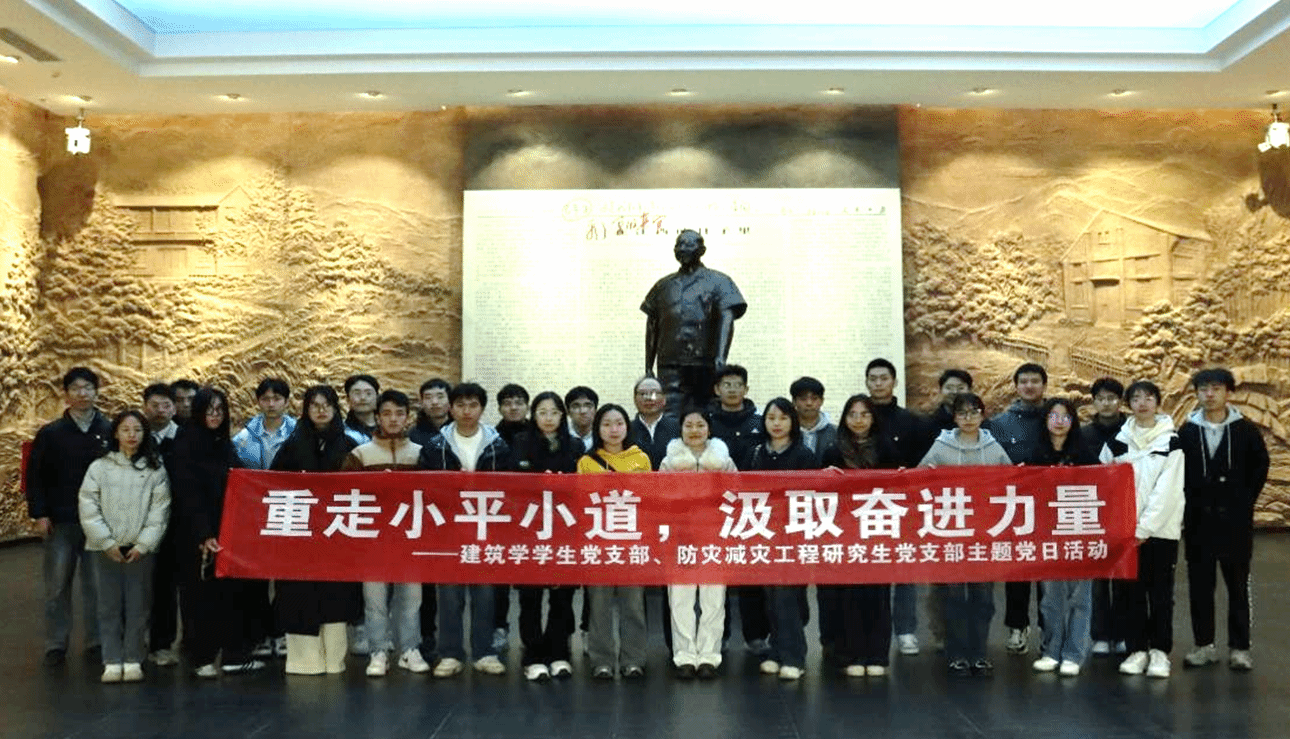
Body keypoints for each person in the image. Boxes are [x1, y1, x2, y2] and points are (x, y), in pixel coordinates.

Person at [418, 382, 511, 677]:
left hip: (486, 528)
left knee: (485, 594)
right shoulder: (435, 446)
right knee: (449, 594)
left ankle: (484, 652)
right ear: (451, 408)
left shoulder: (498, 445)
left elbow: (512, 488)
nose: (466, 411)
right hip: (448, 530)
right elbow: (424, 487)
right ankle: (450, 653)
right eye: (460, 405)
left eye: (473, 405)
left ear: (482, 408)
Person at [1179, 368, 1269, 672]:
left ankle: (1240, 648)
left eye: (1216, 388)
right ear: (1196, 393)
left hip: (1235, 524)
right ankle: (1204, 646)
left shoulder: (1245, 430)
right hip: (1198, 523)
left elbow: (1260, 466)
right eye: (1203, 389)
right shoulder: (1187, 431)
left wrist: (1243, 502)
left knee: (1238, 587)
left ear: (1229, 392)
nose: (1210, 394)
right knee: (1200, 587)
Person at [270, 385, 364, 676]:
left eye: (327, 405)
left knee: (335, 596)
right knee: (299, 595)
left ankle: (334, 659)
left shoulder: (349, 445)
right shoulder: (292, 444)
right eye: (315, 405)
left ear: (336, 408)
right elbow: (273, 484)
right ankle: (304, 661)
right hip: (300, 536)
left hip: (337, 534)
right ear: (306, 410)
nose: (321, 411)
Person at [170, 387, 263, 677]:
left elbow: (240, 480)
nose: (214, 415)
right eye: (209, 410)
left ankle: (233, 655)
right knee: (200, 598)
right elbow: (187, 493)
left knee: (229, 597)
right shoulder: (186, 443)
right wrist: (203, 533)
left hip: (227, 532)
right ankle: (202, 658)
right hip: (197, 536)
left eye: (220, 410)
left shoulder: (224, 444)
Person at [919, 392, 1012, 677]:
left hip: (985, 536)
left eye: (974, 412)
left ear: (983, 415)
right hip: (952, 535)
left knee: (984, 598)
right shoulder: (941, 446)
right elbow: (918, 479)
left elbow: (1013, 483)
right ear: (954, 417)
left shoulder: (994, 448)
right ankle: (957, 654)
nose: (968, 418)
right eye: (962, 413)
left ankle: (980, 653)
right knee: (955, 598)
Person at [1100, 380, 1185, 679]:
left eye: (1149, 398)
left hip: (1160, 532)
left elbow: (1168, 492)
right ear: (1129, 404)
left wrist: (1143, 528)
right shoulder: (1116, 443)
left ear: (1158, 403)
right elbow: (1103, 485)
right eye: (1136, 398)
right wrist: (1122, 527)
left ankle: (1160, 651)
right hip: (1125, 533)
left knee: (1160, 593)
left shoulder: (1171, 443)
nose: (1143, 403)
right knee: (1130, 593)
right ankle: (1136, 649)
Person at [78, 410, 171, 683]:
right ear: (116, 433)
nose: (132, 435)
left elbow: (160, 511)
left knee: (138, 605)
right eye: (126, 430)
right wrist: (106, 541)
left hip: (140, 550)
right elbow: (88, 506)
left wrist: (144, 544)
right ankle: (111, 659)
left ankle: (133, 658)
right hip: (104, 549)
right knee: (107, 606)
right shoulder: (99, 467)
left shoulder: (155, 469)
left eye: (138, 430)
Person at [26, 367, 110, 667]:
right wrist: (39, 514)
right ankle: (56, 643)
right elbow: (35, 477)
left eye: (88, 388)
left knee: (97, 586)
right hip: (61, 520)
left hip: (99, 521)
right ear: (66, 394)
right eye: (76, 388)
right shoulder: (51, 433)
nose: (82, 393)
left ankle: (96, 641)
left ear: (96, 392)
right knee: (58, 585)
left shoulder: (109, 429)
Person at [343, 390, 430, 677]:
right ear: (378, 417)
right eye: (387, 413)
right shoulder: (360, 454)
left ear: (408, 417)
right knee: (375, 600)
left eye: (399, 413)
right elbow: (344, 495)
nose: (393, 419)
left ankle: (409, 649)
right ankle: (378, 650)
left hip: (410, 538)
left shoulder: (421, 453)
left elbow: (434, 496)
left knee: (411, 598)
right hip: (373, 539)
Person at [821, 394, 899, 677]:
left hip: (878, 529)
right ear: (844, 418)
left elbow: (900, 487)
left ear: (873, 418)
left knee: (878, 594)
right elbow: (819, 491)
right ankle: (852, 653)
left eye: (864, 414)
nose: (858, 420)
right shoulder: (833, 450)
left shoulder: (887, 448)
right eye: (852, 414)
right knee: (849, 596)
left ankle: (877, 655)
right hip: (844, 531)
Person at [509, 391, 584, 681]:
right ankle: (533, 655)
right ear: (534, 415)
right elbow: (512, 485)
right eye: (542, 412)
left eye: (554, 412)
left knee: (562, 597)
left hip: (565, 530)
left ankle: (559, 653)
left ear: (562, 416)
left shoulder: (575, 445)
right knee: (530, 597)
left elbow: (582, 486)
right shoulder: (520, 442)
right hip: (530, 529)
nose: (548, 418)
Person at [743, 397, 819, 681]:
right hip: (763, 535)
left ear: (793, 422)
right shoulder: (754, 454)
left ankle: (794, 657)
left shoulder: (804, 455)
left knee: (789, 596)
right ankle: (776, 650)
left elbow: (812, 497)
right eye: (771, 418)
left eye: (783, 418)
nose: (776, 424)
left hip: (794, 536)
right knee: (770, 598)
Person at [660, 407, 736, 680]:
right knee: (680, 600)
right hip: (680, 539)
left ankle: (709, 656)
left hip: (715, 537)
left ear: (709, 429)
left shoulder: (724, 460)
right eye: (689, 425)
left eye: (700, 425)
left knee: (713, 600)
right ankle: (684, 656)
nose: (694, 430)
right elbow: (660, 499)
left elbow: (736, 494)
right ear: (680, 429)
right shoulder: (669, 462)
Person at [577, 404, 652, 679]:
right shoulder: (587, 462)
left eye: (619, 423)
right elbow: (582, 503)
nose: (613, 429)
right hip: (599, 543)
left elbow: (649, 500)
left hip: (632, 542)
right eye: (607, 424)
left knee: (633, 605)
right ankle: (602, 660)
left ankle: (634, 659)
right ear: (598, 428)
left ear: (627, 427)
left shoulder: (641, 459)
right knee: (599, 605)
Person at [865, 358, 932, 656]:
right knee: (871, 570)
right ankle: (873, 629)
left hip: (903, 506)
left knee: (905, 570)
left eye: (884, 378)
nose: (878, 383)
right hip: (865, 507)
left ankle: (906, 630)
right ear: (867, 382)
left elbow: (923, 464)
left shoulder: (911, 421)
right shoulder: (859, 417)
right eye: (873, 378)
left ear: (894, 382)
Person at [1029, 398, 1099, 677]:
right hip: (1047, 533)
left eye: (1065, 416)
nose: (1059, 422)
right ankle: (1051, 650)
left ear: (1073, 422)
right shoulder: (1034, 453)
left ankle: (1074, 653)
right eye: (1053, 416)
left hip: (1079, 532)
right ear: (1045, 420)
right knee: (1051, 597)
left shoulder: (1085, 452)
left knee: (1080, 596)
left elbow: (1103, 486)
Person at [643, 228, 748, 411]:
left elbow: (727, 318)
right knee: (669, 413)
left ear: (702, 250)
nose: (683, 248)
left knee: (707, 412)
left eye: (689, 244)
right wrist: (648, 367)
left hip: (704, 364)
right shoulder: (663, 285)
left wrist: (720, 358)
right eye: (679, 245)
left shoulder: (719, 281)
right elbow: (652, 325)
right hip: (670, 364)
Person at [705, 364, 768, 656]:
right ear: (717, 389)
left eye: (737, 384)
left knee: (750, 574)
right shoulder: (706, 422)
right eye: (726, 384)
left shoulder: (760, 422)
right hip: (713, 508)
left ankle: (756, 636)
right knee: (717, 575)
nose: (732, 389)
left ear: (746, 388)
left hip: (752, 509)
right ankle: (721, 634)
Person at [990, 362, 1049, 655]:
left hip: (1051, 504)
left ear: (1044, 385)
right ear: (1016, 386)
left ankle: (1050, 627)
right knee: (1018, 568)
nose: (1029, 386)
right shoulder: (1000, 422)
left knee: (1049, 569)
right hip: (1014, 505)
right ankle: (1017, 626)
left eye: (1035, 381)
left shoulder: (1057, 415)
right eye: (1023, 381)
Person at [1081, 377, 1128, 656]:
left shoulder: (1132, 431)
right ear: (1094, 402)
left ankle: (1122, 632)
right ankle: (1099, 634)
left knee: (1123, 576)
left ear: (1120, 401)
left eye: (1112, 398)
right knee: (1097, 578)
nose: (1106, 403)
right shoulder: (1084, 434)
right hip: (1092, 513)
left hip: (1125, 512)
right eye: (1101, 398)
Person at [141, 383, 181, 667]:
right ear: (145, 407)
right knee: (139, 585)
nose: (160, 411)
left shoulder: (186, 437)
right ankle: (132, 642)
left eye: (166, 405)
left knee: (167, 586)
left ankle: (162, 644)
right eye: (154, 405)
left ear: (174, 408)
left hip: (177, 522)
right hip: (139, 522)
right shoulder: (135, 436)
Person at [491, 382, 530, 652]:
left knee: (530, 580)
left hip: (531, 518)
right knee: (499, 579)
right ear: (499, 408)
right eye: (507, 403)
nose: (513, 407)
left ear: (527, 406)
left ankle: (530, 634)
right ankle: (499, 628)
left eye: (518, 402)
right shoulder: (492, 437)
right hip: (500, 517)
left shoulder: (537, 434)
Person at [630, 376, 680, 470]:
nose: (648, 398)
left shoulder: (678, 428)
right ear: (635, 399)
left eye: (654, 393)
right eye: (643, 394)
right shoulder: (626, 430)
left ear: (664, 399)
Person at [791, 376, 837, 462]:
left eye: (814, 398)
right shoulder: (786, 432)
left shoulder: (836, 433)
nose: (809, 403)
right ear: (793, 401)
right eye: (803, 399)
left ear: (822, 401)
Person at [410, 377, 452, 446]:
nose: (434, 402)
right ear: (421, 403)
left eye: (440, 397)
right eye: (428, 397)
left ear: (450, 400)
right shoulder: (414, 435)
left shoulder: (459, 429)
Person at [343, 374, 380, 443]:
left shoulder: (390, 426)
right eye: (357, 393)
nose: (363, 398)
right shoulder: (343, 432)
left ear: (377, 397)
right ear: (347, 399)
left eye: (368, 393)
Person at [564, 386, 599, 452]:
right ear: (568, 412)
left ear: (595, 410)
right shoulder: (561, 436)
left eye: (588, 406)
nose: (583, 411)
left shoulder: (604, 436)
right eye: (576, 406)